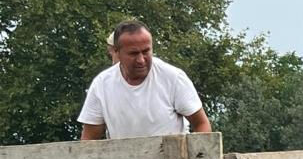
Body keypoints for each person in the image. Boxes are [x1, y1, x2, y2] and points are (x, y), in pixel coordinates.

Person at [78, 20, 211, 140]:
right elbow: (89, 140)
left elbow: (201, 124)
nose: (141, 60)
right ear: (116, 52)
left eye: (146, 51)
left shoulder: (173, 77)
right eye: (133, 53)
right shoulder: (101, 85)